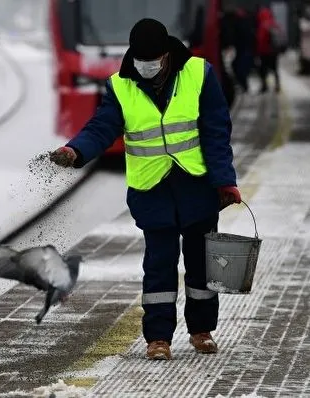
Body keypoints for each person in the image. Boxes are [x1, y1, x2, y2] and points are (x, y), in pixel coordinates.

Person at [48, 18, 240, 360]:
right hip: (152, 189)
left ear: (166, 55)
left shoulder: (199, 74)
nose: (146, 65)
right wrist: (75, 151)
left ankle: (201, 330)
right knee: (159, 265)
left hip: (196, 184)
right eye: (141, 58)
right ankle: (158, 339)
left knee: (202, 265)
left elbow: (216, 132)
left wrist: (225, 181)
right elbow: (102, 127)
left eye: (153, 58)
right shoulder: (121, 85)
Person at [256, 6, 284, 92]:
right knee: (275, 69)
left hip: (265, 52)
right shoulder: (275, 24)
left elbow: (260, 40)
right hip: (274, 52)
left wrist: (257, 51)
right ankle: (277, 85)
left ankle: (264, 86)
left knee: (263, 70)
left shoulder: (263, 25)